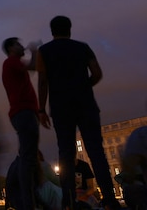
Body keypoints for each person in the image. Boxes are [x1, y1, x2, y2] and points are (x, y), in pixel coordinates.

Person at [36, 15, 119, 210]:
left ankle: (68, 201)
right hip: (86, 105)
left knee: (65, 153)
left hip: (60, 107)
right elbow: (97, 73)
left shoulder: (44, 51)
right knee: (96, 152)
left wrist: (41, 109)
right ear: (70, 29)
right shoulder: (83, 47)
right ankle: (109, 198)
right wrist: (83, 86)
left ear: (52, 31)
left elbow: (42, 82)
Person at [2, 37, 41, 210]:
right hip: (23, 112)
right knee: (28, 159)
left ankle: (28, 201)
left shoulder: (13, 63)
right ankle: (28, 203)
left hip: (26, 112)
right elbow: (33, 67)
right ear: (11, 48)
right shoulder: (10, 62)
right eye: (18, 44)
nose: (21, 45)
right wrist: (34, 50)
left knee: (29, 156)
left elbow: (32, 68)